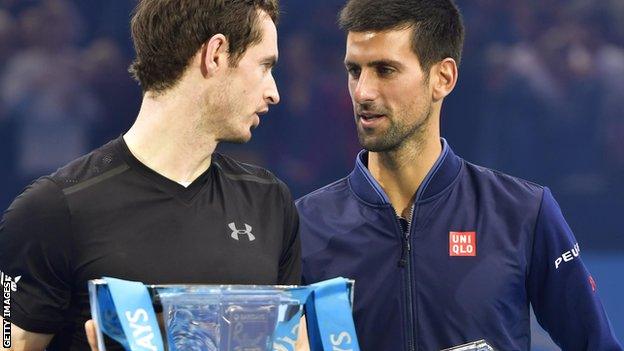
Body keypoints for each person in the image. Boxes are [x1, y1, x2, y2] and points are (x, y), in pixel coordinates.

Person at [296, 0, 622, 350]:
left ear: (443, 78)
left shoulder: (523, 212)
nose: (363, 92)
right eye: (354, 71)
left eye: (385, 70)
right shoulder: (303, 223)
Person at [0, 1, 302, 350]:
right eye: (264, 66)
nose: (274, 92)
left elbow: (294, 343)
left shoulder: (270, 202)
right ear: (216, 54)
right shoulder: (52, 210)